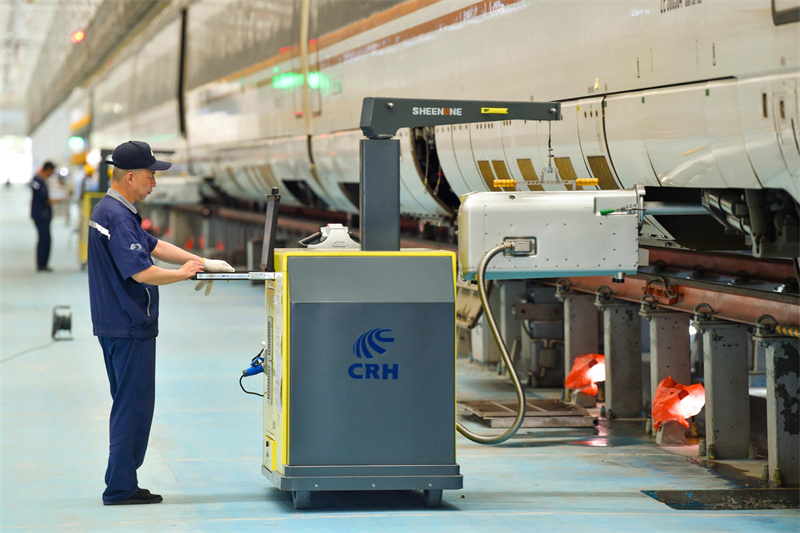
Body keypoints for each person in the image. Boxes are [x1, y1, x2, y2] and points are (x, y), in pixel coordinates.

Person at [88, 141, 234, 505]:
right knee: (132, 406)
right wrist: (184, 274)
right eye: (152, 176)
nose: (155, 182)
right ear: (131, 176)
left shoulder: (113, 210)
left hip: (115, 324)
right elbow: (142, 273)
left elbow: (152, 246)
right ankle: (121, 488)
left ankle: (120, 481)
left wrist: (201, 261)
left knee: (128, 403)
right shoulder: (119, 217)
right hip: (129, 325)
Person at [30, 161, 60, 271]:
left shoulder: (40, 181)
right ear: (47, 170)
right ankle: (41, 264)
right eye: (51, 171)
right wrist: (56, 200)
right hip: (40, 215)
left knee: (45, 239)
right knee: (44, 239)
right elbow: (43, 199)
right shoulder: (38, 181)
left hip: (43, 214)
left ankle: (43, 263)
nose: (51, 174)